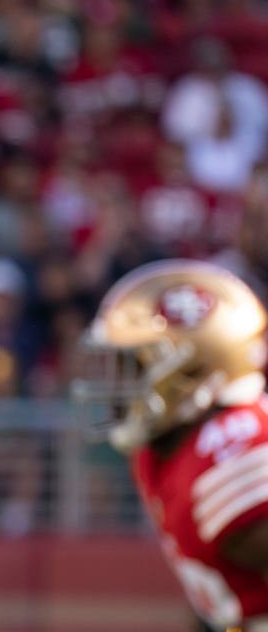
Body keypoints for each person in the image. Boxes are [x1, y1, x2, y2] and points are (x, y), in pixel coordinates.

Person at [74, 259, 268, 631]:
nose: (117, 387)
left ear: (192, 371)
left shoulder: (234, 448)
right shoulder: (165, 451)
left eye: (135, 367)